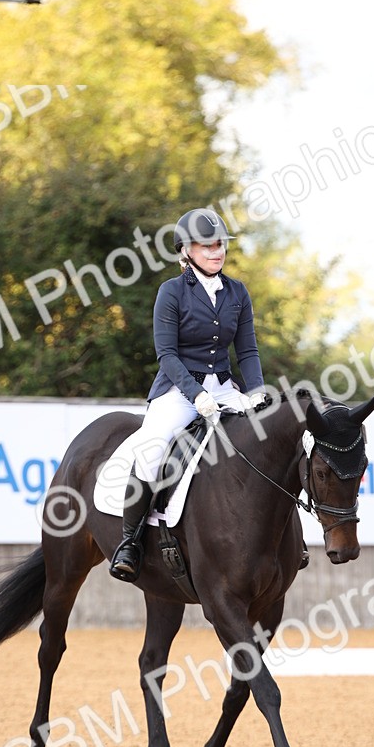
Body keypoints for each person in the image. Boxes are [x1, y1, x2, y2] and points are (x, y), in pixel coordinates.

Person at [109, 208, 268, 581]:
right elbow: (167, 355)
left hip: (225, 389)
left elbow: (247, 351)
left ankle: (283, 538)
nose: (217, 252)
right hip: (179, 391)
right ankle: (130, 541)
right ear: (186, 251)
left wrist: (257, 391)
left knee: (267, 440)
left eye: (221, 245)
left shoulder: (237, 292)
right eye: (207, 245)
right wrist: (196, 395)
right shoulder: (172, 292)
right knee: (150, 450)